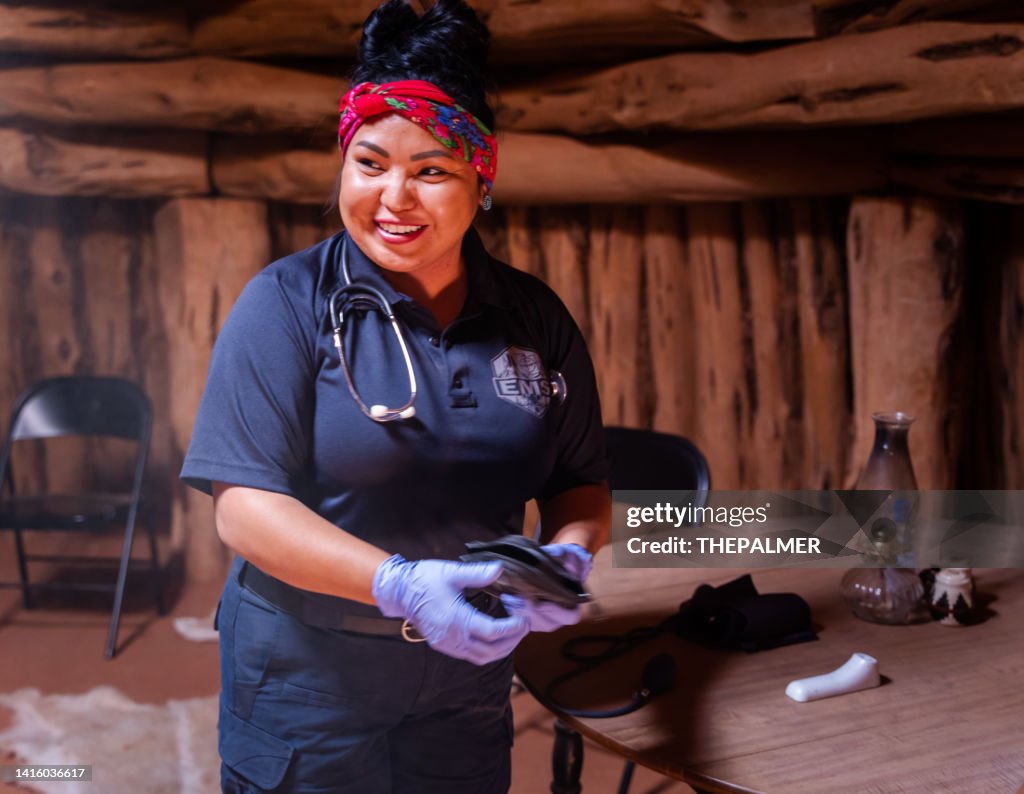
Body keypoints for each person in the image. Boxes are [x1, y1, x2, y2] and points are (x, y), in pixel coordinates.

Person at [181, 1, 611, 791]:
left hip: (469, 675)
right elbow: (242, 507)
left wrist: (569, 553)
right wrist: (401, 586)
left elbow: (579, 480)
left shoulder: (533, 316)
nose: (393, 198)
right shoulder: (285, 304)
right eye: (370, 163)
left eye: (431, 171)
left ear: (482, 179)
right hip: (309, 673)